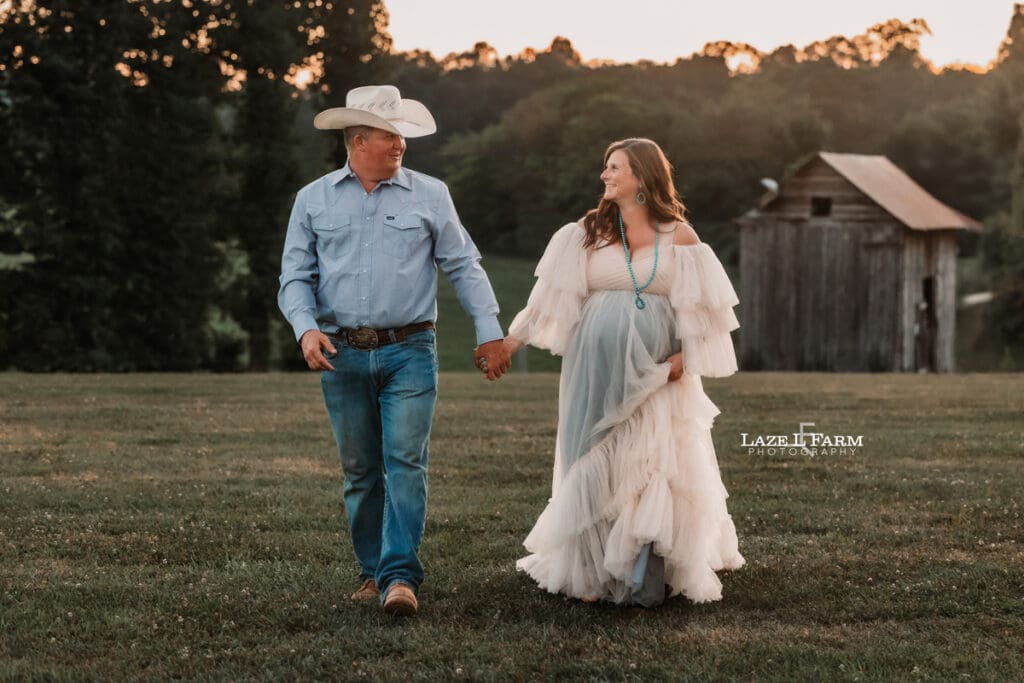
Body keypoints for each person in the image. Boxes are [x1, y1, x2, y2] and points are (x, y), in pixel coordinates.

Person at [277, 85, 512, 617]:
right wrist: (305, 328)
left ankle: (400, 576)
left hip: (411, 349)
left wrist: (489, 329)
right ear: (359, 140)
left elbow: (463, 264)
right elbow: (294, 276)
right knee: (360, 470)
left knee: (405, 462)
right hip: (341, 352)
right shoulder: (312, 199)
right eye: (390, 135)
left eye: (402, 134)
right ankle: (371, 571)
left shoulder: (431, 194)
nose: (400, 144)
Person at [503, 138, 745, 606]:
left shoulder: (682, 239)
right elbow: (547, 301)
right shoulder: (585, 233)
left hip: (656, 375)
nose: (605, 176)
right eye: (605, 167)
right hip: (593, 371)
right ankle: (590, 571)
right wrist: (511, 342)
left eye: (614, 167)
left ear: (641, 175)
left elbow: (707, 317)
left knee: (648, 463)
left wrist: (684, 359)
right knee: (588, 457)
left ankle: (640, 566)